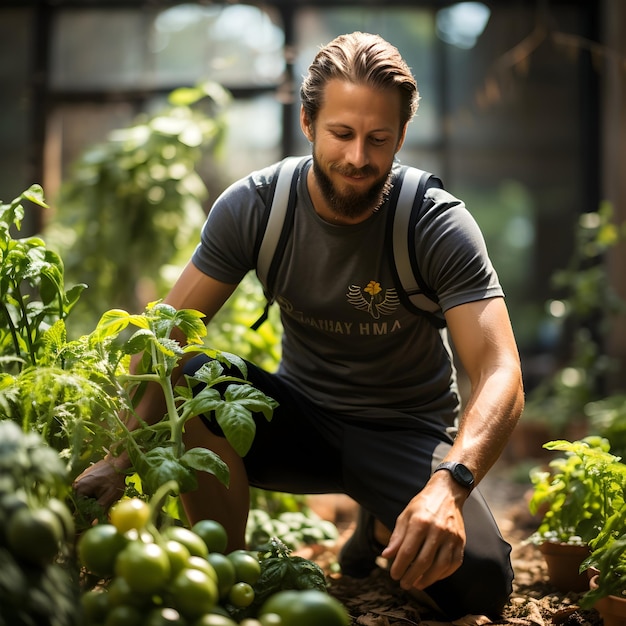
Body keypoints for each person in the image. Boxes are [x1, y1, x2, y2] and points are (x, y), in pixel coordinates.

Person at [74, 31, 524, 619]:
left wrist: (450, 483)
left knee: (480, 584)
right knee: (191, 376)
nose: (359, 157)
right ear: (309, 122)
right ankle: (222, 581)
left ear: (401, 136)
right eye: (341, 133)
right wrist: (121, 452)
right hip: (300, 421)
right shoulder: (257, 208)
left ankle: (381, 522)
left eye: (378, 138)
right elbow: (167, 332)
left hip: (404, 432)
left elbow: (500, 369)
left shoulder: (434, 223)